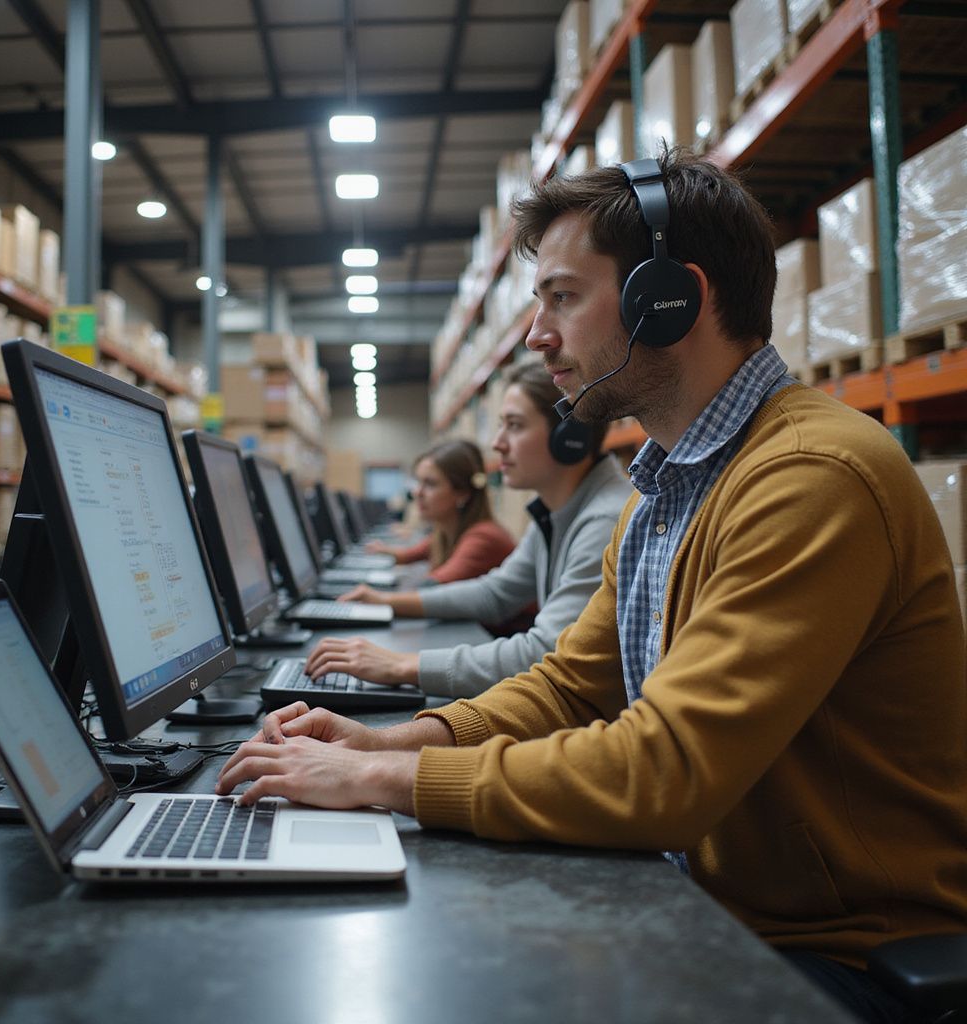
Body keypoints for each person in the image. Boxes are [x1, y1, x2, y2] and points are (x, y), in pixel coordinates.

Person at [218, 150, 967, 1023]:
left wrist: (378, 784)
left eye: (562, 298)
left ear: (668, 300)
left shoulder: (811, 477)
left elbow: (665, 772)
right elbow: (574, 686)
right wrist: (384, 742)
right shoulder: (665, 489)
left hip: (842, 956)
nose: (538, 336)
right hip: (718, 905)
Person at [303, 361, 633, 697]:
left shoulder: (604, 520)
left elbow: (549, 651)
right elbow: (495, 593)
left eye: (515, 426)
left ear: (570, 438)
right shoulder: (556, 511)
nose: (497, 443)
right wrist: (386, 601)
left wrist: (403, 665)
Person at [379, 439, 515, 584]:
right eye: (418, 482)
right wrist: (374, 552)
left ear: (462, 493)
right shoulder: (444, 533)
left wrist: (375, 598)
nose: (417, 492)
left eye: (430, 484)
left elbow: (431, 589)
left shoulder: (483, 537)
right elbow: (406, 556)